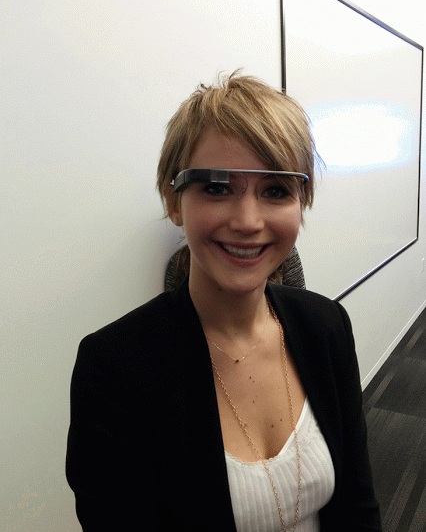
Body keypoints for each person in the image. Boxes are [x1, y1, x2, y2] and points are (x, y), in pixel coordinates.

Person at [66, 70, 382, 531]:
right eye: (216, 187)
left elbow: (358, 505)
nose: (248, 221)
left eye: (275, 190)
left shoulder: (326, 324)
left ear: (301, 202)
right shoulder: (114, 368)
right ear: (173, 201)